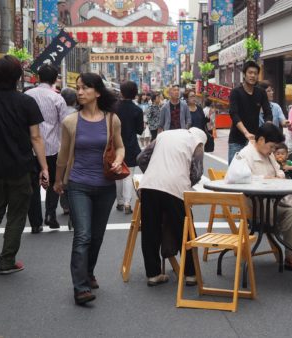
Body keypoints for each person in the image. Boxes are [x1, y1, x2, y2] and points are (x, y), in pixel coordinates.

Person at [0, 55, 49, 275]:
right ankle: (6, 261)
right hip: (20, 167)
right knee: (16, 214)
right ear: (18, 77)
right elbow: (35, 138)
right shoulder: (26, 102)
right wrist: (44, 167)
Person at [53, 72, 125, 305]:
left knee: (97, 236)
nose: (80, 92)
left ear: (97, 91)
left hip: (105, 186)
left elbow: (120, 147)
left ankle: (89, 272)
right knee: (83, 235)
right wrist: (58, 180)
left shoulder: (111, 119)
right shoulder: (70, 121)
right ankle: (80, 287)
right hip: (78, 184)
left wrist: (117, 160)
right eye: (78, 88)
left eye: (84, 88)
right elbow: (63, 155)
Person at [137, 127, 206, 287]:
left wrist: (156, 174)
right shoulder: (197, 142)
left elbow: (141, 158)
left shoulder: (163, 135)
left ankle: (153, 274)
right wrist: (184, 182)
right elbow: (197, 172)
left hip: (149, 185)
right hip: (175, 188)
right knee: (185, 230)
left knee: (150, 230)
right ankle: (190, 274)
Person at [235, 123, 292, 272]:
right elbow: (238, 181)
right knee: (290, 213)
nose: (273, 151)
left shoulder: (267, 154)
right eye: (271, 146)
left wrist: (276, 177)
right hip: (256, 206)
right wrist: (264, 179)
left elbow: (280, 172)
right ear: (261, 140)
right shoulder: (244, 155)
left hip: (274, 201)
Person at [24, 64, 69, 233]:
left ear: (38, 77)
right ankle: (50, 214)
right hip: (52, 148)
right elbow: (65, 124)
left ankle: (35, 222)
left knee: (32, 185)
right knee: (54, 183)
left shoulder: (27, 95)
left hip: (29, 148)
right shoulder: (57, 98)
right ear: (55, 78)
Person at [228, 61, 273, 164]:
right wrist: (246, 133)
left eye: (255, 73)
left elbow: (268, 112)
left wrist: (268, 126)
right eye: (250, 72)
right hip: (237, 140)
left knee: (254, 171)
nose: (253, 75)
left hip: (254, 140)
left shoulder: (261, 92)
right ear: (244, 74)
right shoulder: (236, 92)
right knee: (235, 172)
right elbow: (234, 114)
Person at [115, 81, 144, 215]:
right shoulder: (137, 110)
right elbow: (139, 130)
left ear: (121, 92)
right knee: (128, 175)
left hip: (115, 145)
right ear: (134, 93)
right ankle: (127, 203)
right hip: (131, 145)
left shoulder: (113, 108)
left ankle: (119, 202)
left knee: (117, 173)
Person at [58, 87, 78, 216]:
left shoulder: (58, 112)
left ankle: (65, 206)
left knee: (62, 178)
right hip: (76, 151)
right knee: (73, 178)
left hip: (59, 149)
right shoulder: (79, 113)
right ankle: (74, 204)